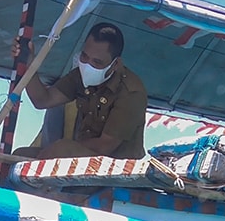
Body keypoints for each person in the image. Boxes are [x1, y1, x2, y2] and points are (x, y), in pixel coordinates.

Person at [13, 23, 147, 159]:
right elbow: (42, 100)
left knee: (60, 150)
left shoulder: (131, 92)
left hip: (118, 164)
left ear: (116, 64)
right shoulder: (79, 76)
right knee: (20, 155)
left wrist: (64, 149)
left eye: (97, 62)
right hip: (83, 153)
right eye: (84, 56)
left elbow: (105, 146)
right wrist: (28, 62)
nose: (88, 65)